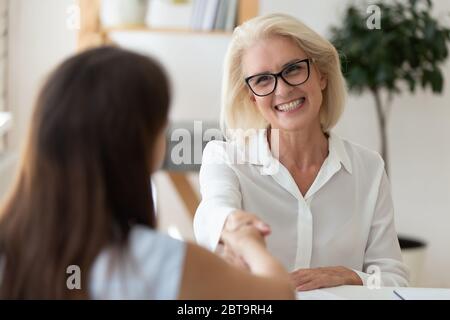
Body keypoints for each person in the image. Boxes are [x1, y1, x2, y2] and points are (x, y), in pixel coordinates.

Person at [0, 46, 294, 299]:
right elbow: (279, 294)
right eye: (160, 123)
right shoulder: (160, 262)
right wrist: (247, 242)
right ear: (135, 144)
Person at [194, 13, 409, 290]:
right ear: (251, 97)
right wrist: (235, 227)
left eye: (293, 69)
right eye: (262, 80)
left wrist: (350, 275)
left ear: (321, 74)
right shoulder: (226, 159)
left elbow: (395, 279)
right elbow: (213, 212)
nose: (282, 90)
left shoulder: (368, 168)